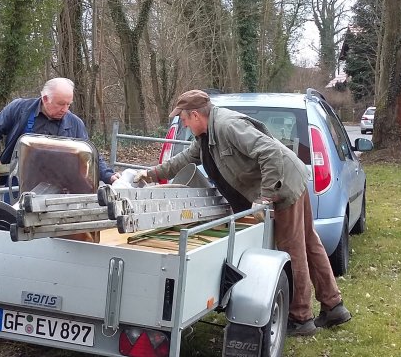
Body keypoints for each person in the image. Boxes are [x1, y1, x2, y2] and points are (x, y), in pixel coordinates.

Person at [134, 89, 351, 336]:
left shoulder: (227, 126)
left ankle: (301, 318)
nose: (182, 122)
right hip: (290, 178)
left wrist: (266, 196)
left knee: (294, 249)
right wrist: (150, 174)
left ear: (195, 115)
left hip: (284, 184)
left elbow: (270, 152)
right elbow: (182, 159)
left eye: (183, 118)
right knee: (310, 242)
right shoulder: (206, 136)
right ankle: (334, 306)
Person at [0, 77, 120, 198]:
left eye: (68, 104)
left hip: (59, 188)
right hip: (19, 185)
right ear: (45, 99)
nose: (65, 109)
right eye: (61, 104)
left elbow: (90, 156)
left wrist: (109, 176)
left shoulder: (75, 123)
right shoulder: (20, 109)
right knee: (13, 223)